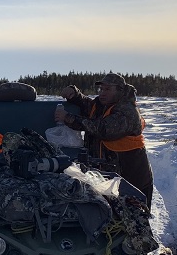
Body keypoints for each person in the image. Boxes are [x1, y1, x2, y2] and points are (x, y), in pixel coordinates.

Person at [54, 72, 154, 210]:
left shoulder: (127, 111)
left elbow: (103, 129)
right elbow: (88, 105)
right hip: (110, 177)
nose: (102, 93)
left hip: (131, 177)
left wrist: (68, 118)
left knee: (134, 217)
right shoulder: (103, 104)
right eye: (100, 89)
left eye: (107, 89)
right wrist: (75, 94)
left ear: (119, 90)